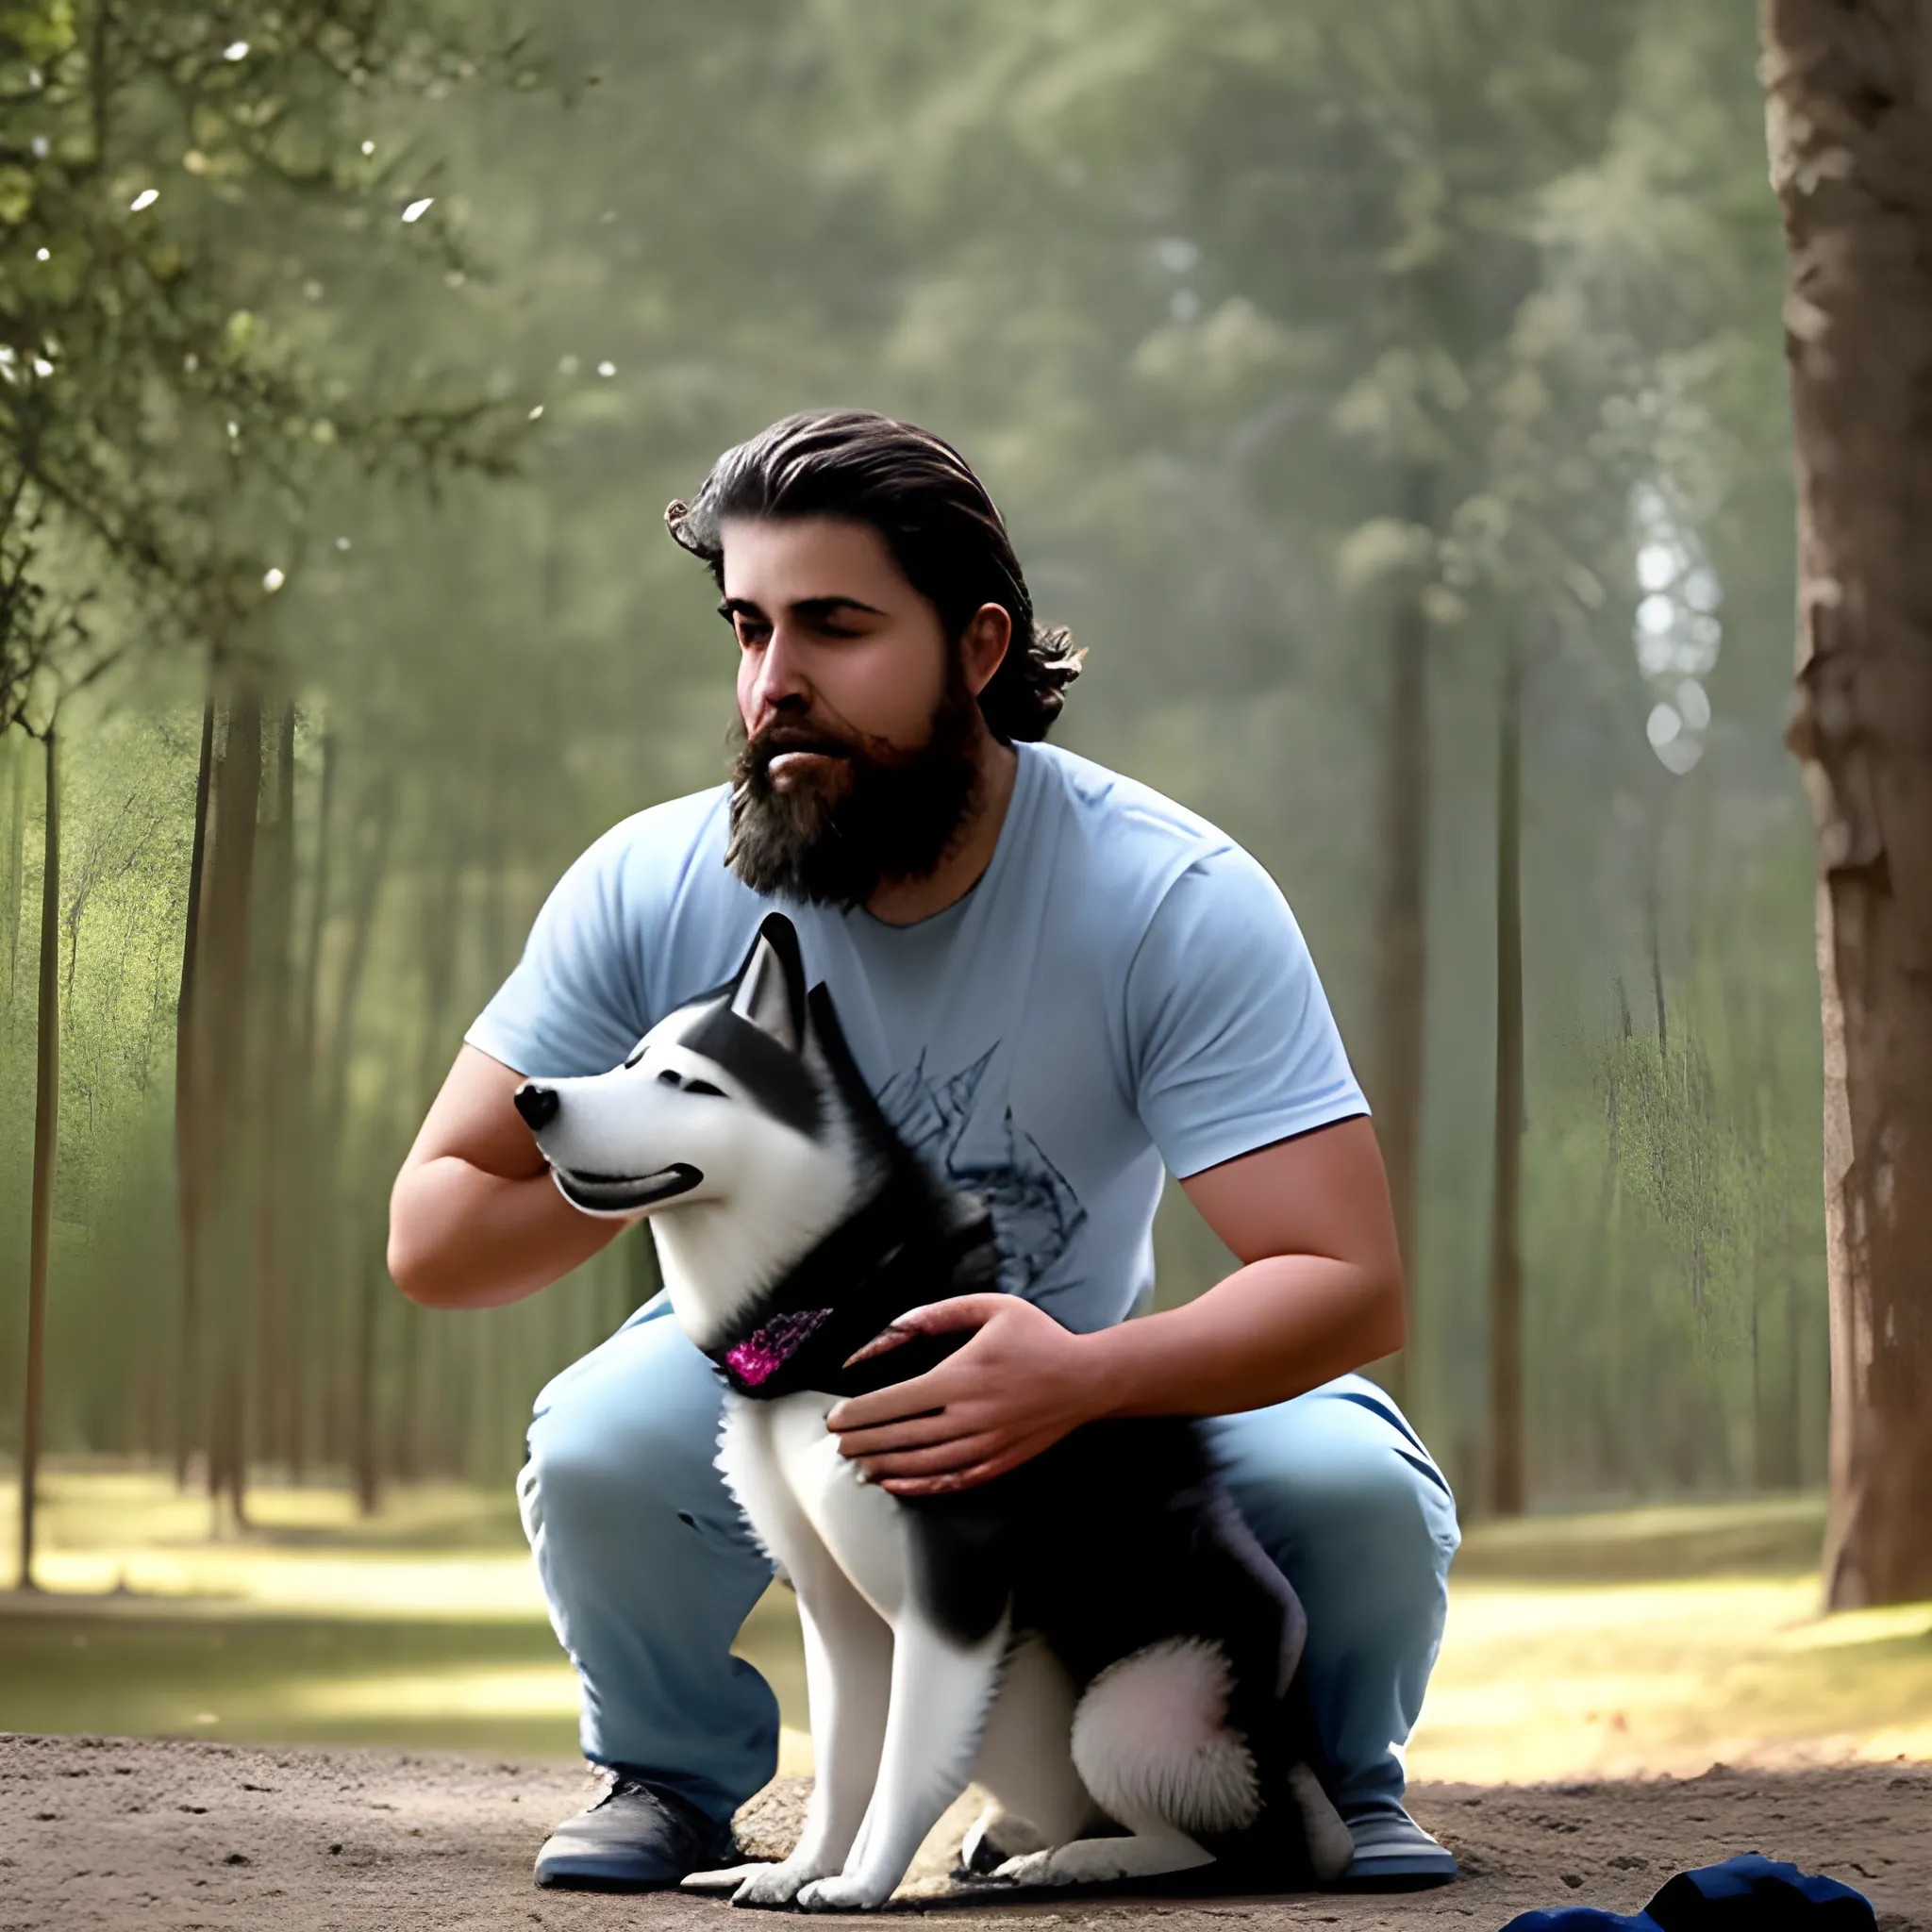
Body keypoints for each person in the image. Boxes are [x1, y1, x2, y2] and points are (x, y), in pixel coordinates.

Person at [388, 409, 1462, 1894]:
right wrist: (682, 1159)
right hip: (755, 1354)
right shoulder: (647, 881)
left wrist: (1082, 1378)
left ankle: (1315, 1783)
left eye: (833, 628)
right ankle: (672, 1776)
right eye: (748, 629)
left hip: (1078, 1356)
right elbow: (435, 1230)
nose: (775, 685)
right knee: (596, 1448)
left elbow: (1349, 1284)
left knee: (1354, 1492)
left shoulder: (1170, 896)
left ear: (977, 646)